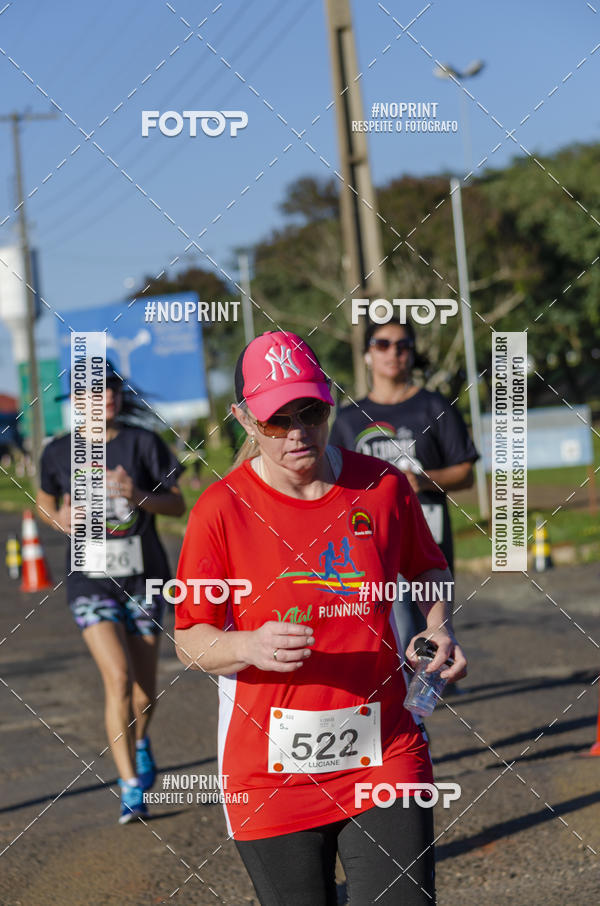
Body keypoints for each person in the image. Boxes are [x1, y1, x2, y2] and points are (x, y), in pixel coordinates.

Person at [174, 330, 467, 906]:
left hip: (384, 748)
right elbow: (190, 641)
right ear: (244, 420)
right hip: (268, 772)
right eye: (276, 420)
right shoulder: (220, 510)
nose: (297, 432)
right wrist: (248, 646)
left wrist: (437, 627)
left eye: (309, 411)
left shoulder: (382, 486)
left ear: (330, 400)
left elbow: (428, 571)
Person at [36, 360, 185, 823]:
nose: (108, 398)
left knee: (143, 693)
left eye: (113, 389)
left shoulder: (143, 443)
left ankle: (140, 744)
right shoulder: (59, 452)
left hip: (144, 579)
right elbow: (45, 504)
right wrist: (59, 519)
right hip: (89, 581)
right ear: (75, 401)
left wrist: (137, 493)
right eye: (96, 392)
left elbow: (178, 503)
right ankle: (129, 787)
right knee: (117, 678)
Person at [329, 320, 479, 650]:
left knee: (432, 621)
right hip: (372, 538)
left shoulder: (435, 407)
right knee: (393, 624)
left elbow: (466, 472)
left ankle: (432, 684)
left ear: (412, 354)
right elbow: (333, 480)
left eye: (402, 345)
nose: (393, 352)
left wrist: (425, 480)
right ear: (367, 354)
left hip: (429, 534)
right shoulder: (348, 418)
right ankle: (399, 691)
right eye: (382, 344)